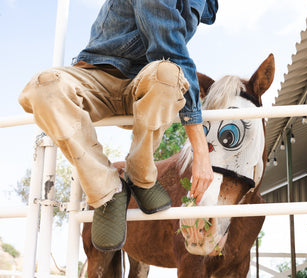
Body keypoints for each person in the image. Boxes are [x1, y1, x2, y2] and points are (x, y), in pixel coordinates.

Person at [18, 0, 218, 252]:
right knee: (43, 86)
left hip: (147, 84)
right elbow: (170, 48)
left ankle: (141, 175)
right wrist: (200, 153)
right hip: (99, 73)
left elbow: (196, 25)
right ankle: (107, 191)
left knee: (168, 74)